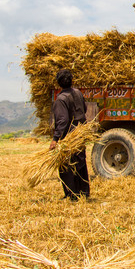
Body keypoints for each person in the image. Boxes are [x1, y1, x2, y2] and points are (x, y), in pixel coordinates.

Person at [50, 69, 90, 201]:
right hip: (80, 132)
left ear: (58, 83)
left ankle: (71, 195)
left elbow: (63, 120)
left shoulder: (61, 99)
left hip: (69, 136)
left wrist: (55, 139)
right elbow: (84, 109)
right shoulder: (78, 93)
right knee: (80, 162)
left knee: (66, 164)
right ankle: (83, 192)